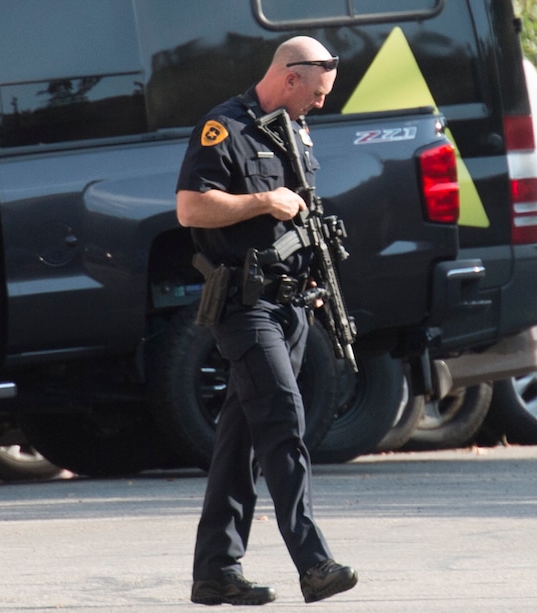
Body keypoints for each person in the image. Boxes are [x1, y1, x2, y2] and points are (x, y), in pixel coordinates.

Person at [175, 36, 358, 606]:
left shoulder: (294, 130)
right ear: (288, 78)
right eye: (317, 93)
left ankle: (215, 572)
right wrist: (261, 202)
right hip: (244, 304)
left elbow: (303, 210)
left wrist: (315, 282)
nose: (321, 105)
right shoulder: (223, 129)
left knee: (241, 442)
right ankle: (313, 562)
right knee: (282, 421)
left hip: (291, 305)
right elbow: (190, 207)